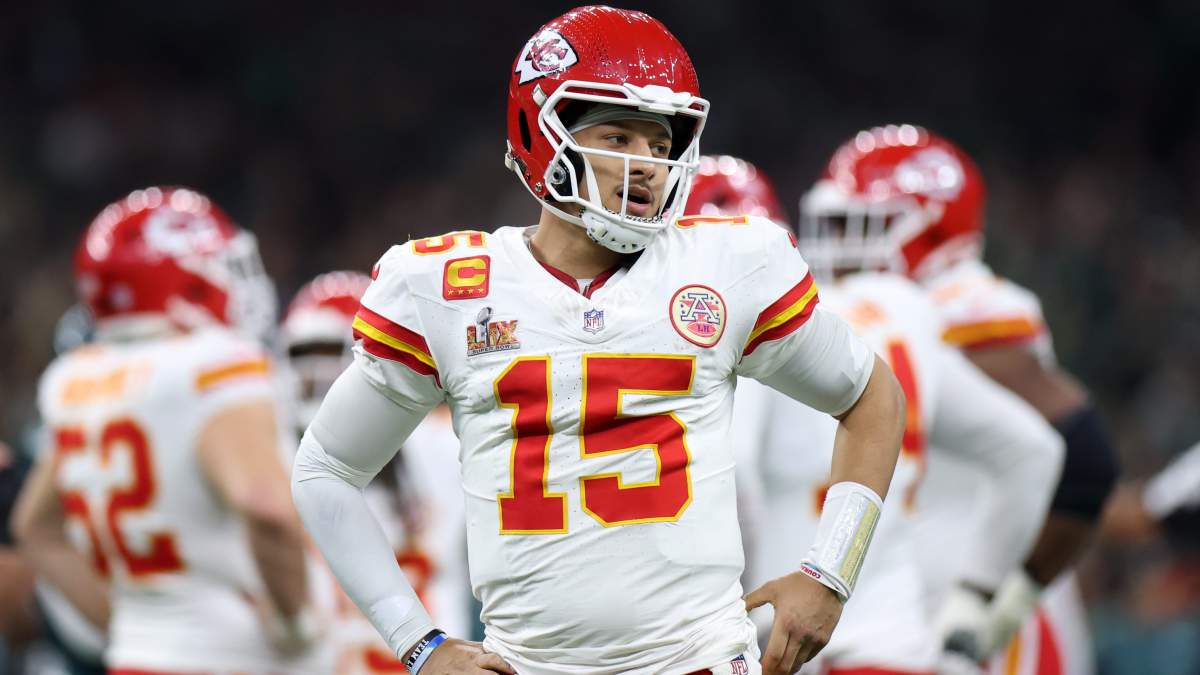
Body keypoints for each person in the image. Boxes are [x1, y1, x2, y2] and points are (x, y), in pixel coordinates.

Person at [290, 6, 907, 675]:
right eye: (619, 136)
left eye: (660, 146)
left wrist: (830, 573)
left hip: (697, 661)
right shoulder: (447, 288)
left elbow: (871, 395)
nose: (647, 165)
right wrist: (418, 644)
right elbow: (325, 471)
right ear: (540, 132)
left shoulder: (727, 265)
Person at [689, 156, 1064, 675]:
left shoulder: (741, 320)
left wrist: (726, 614)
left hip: (784, 645)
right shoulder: (904, 308)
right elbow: (1033, 451)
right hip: (894, 642)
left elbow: (739, 480)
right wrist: (974, 599)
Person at [799, 124, 1120, 674]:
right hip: (912, 606)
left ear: (930, 228)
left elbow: (1087, 459)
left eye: (856, 224)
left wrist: (1001, 601)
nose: (836, 243)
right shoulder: (886, 310)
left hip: (976, 622)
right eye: (832, 223)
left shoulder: (959, 304)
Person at [10, 187, 329, 674]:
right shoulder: (213, 365)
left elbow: (35, 525)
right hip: (228, 659)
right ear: (182, 280)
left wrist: (130, 623)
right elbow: (265, 507)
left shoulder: (76, 380)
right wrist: (296, 622)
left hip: (138, 657)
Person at [280, 271, 472, 673]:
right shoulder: (275, 457)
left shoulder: (441, 445)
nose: (314, 376)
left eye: (328, 354)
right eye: (303, 356)